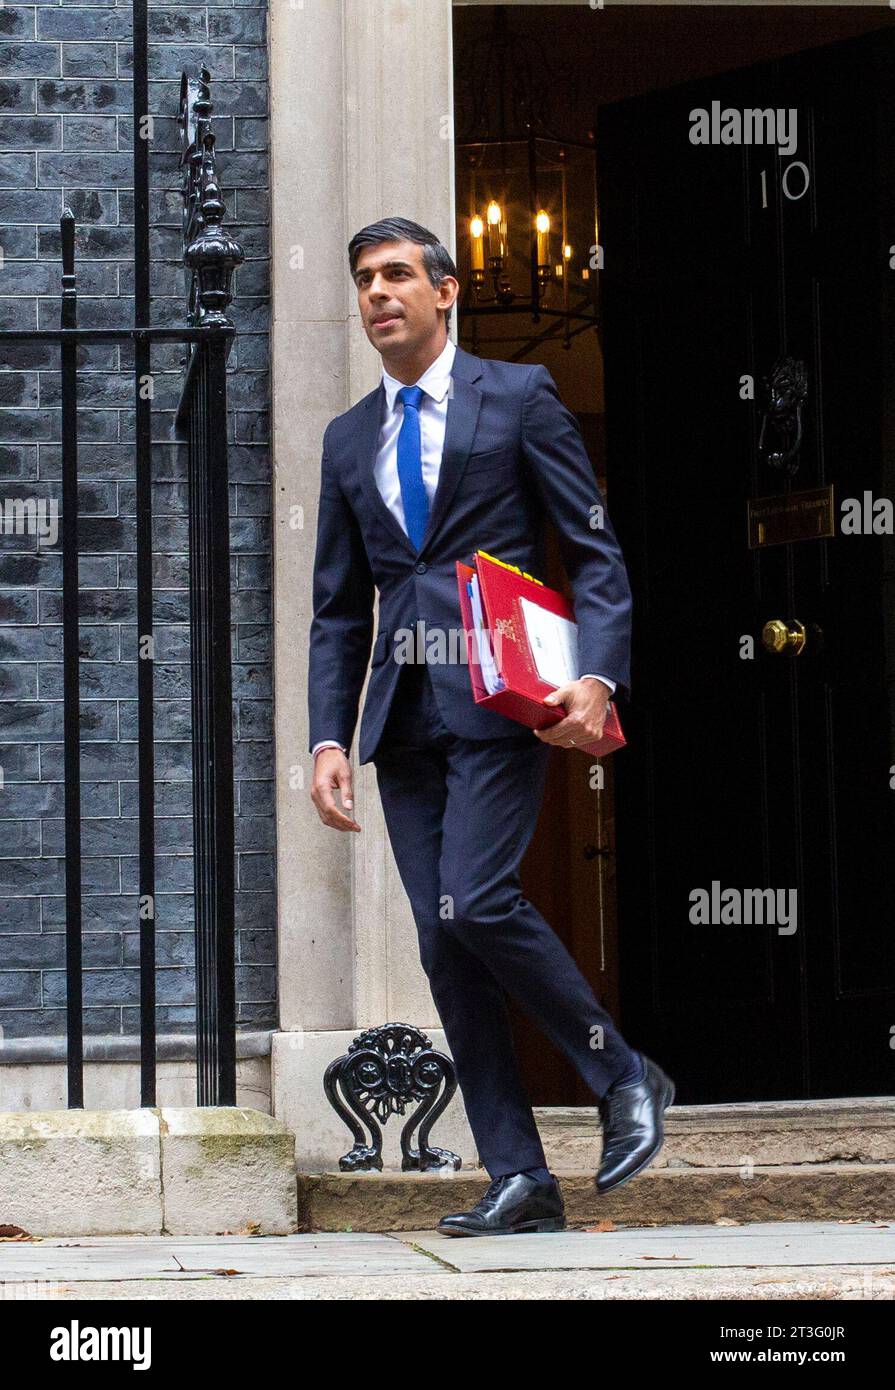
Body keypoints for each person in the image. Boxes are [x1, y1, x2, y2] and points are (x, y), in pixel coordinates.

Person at [308, 216, 674, 1237]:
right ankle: (521, 1174)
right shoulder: (346, 436)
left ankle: (621, 1070)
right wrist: (326, 739)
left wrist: (597, 676)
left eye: (396, 276)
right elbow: (338, 608)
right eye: (365, 280)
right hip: (402, 715)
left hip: (503, 700)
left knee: (474, 902)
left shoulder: (516, 397)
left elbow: (594, 554)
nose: (379, 294)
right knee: (441, 942)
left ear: (446, 290)